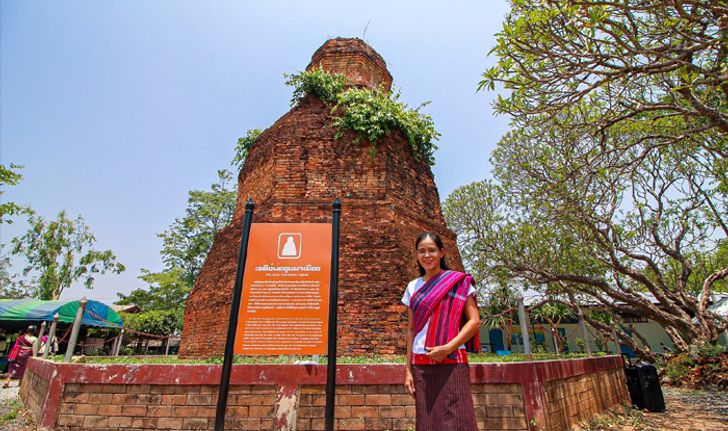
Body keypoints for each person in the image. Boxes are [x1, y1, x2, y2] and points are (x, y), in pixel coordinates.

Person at [402, 231, 481, 430]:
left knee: (459, 419)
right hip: (421, 363)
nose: (427, 256)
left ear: (442, 252)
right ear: (417, 255)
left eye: (431, 250)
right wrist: (407, 370)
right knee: (427, 421)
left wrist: (447, 348)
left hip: (452, 362)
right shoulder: (413, 287)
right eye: (422, 251)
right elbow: (411, 330)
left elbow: (474, 322)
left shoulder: (459, 282)